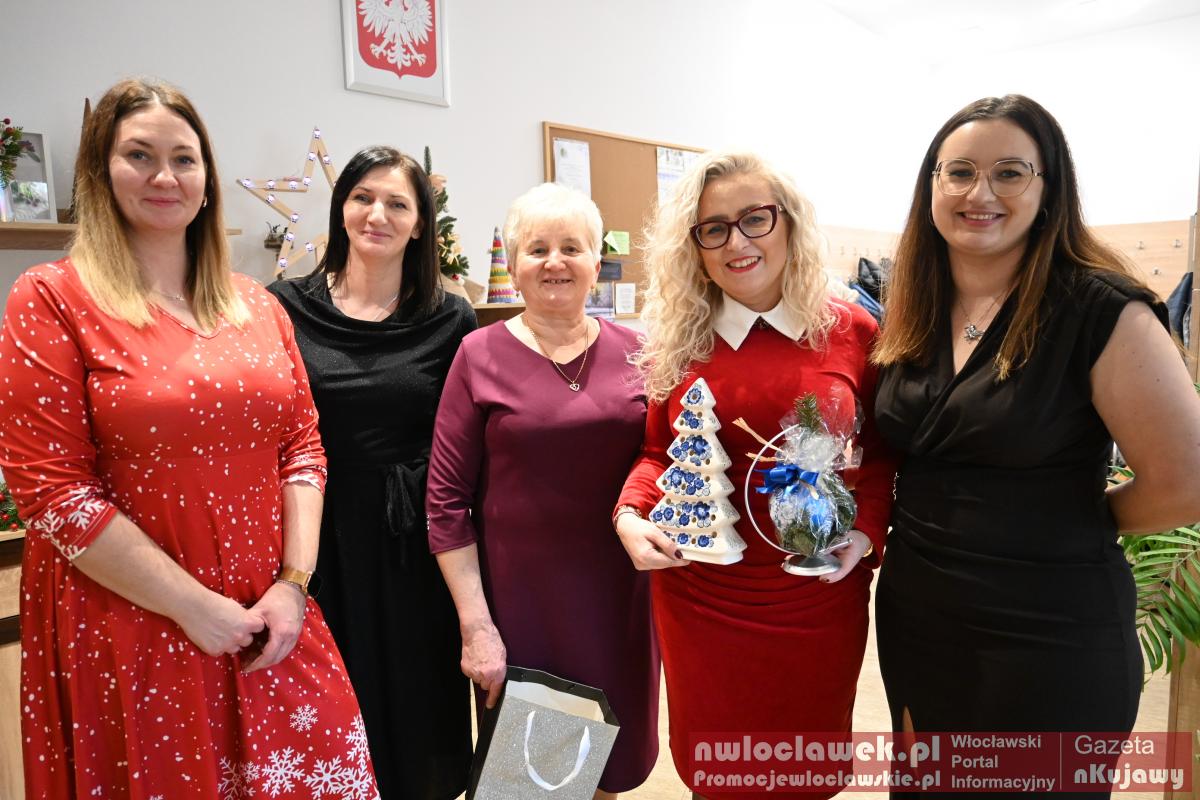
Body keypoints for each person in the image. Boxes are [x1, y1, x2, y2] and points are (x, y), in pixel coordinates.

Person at [0, 78, 378, 798]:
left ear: (207, 179)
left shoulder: (258, 305)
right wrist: (193, 607)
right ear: (100, 172)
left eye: (184, 158)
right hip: (131, 619)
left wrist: (294, 585)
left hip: (270, 615)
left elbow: (302, 448)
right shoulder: (51, 298)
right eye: (139, 155)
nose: (165, 176)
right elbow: (52, 492)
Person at [871, 94, 1200, 793]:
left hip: (1049, 627)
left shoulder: (1101, 310)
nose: (980, 193)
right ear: (931, 186)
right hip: (919, 614)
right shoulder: (915, 305)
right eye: (959, 172)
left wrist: (1075, 518)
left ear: (1049, 189)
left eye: (1010, 173)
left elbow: (1187, 482)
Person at [614, 151, 896, 800]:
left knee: (806, 767)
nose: (737, 242)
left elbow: (880, 454)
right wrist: (629, 514)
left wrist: (865, 536)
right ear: (695, 247)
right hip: (702, 598)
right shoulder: (679, 340)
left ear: (788, 222)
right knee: (719, 772)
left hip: (817, 598)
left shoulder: (851, 329)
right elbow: (656, 453)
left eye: (755, 219)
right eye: (714, 228)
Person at [426, 183, 659, 798]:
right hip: (524, 608)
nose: (555, 262)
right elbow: (445, 503)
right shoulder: (479, 354)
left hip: (619, 601)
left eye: (571, 248)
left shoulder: (639, 353)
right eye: (537, 249)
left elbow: (659, 459)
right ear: (514, 262)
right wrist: (476, 626)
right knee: (535, 780)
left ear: (596, 261)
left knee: (607, 770)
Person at [268, 146, 476, 800]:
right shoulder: (284, 307)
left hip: (413, 541)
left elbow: (464, 445)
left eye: (396, 203)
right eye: (362, 197)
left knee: (419, 704)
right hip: (317, 535)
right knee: (328, 702)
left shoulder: (450, 317)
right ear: (341, 209)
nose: (376, 214)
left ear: (420, 225)